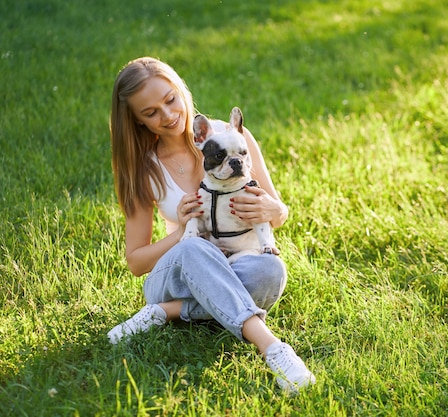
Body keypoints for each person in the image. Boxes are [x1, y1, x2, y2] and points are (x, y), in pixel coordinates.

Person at [107, 56, 315, 393]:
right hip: (176, 273)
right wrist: (180, 232)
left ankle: (168, 312)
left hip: (232, 263)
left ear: (181, 91)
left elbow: (279, 214)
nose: (168, 115)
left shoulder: (231, 138)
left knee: (271, 271)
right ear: (137, 121)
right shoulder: (144, 169)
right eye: (151, 113)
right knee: (194, 245)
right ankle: (273, 348)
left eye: (170, 99)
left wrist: (270, 206)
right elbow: (136, 262)